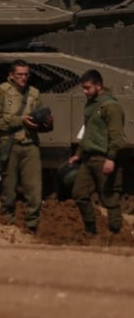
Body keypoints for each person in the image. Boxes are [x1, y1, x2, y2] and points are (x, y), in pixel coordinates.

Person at [68, 69, 126, 235]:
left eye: (88, 88)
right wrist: (78, 153)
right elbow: (87, 132)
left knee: (109, 197)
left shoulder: (111, 107)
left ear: (98, 86)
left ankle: (116, 233)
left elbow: (117, 136)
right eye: (84, 88)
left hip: (103, 157)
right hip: (88, 158)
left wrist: (111, 158)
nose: (84, 92)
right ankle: (91, 230)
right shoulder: (91, 105)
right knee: (79, 193)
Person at [0, 60, 46, 233]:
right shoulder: (2, 91)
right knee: (8, 190)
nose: (23, 78)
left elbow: (42, 124)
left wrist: (46, 123)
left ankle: (31, 227)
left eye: (26, 74)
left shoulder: (34, 94)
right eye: (20, 75)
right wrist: (19, 120)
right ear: (11, 76)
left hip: (31, 146)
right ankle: (7, 225)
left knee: (34, 191)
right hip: (10, 146)